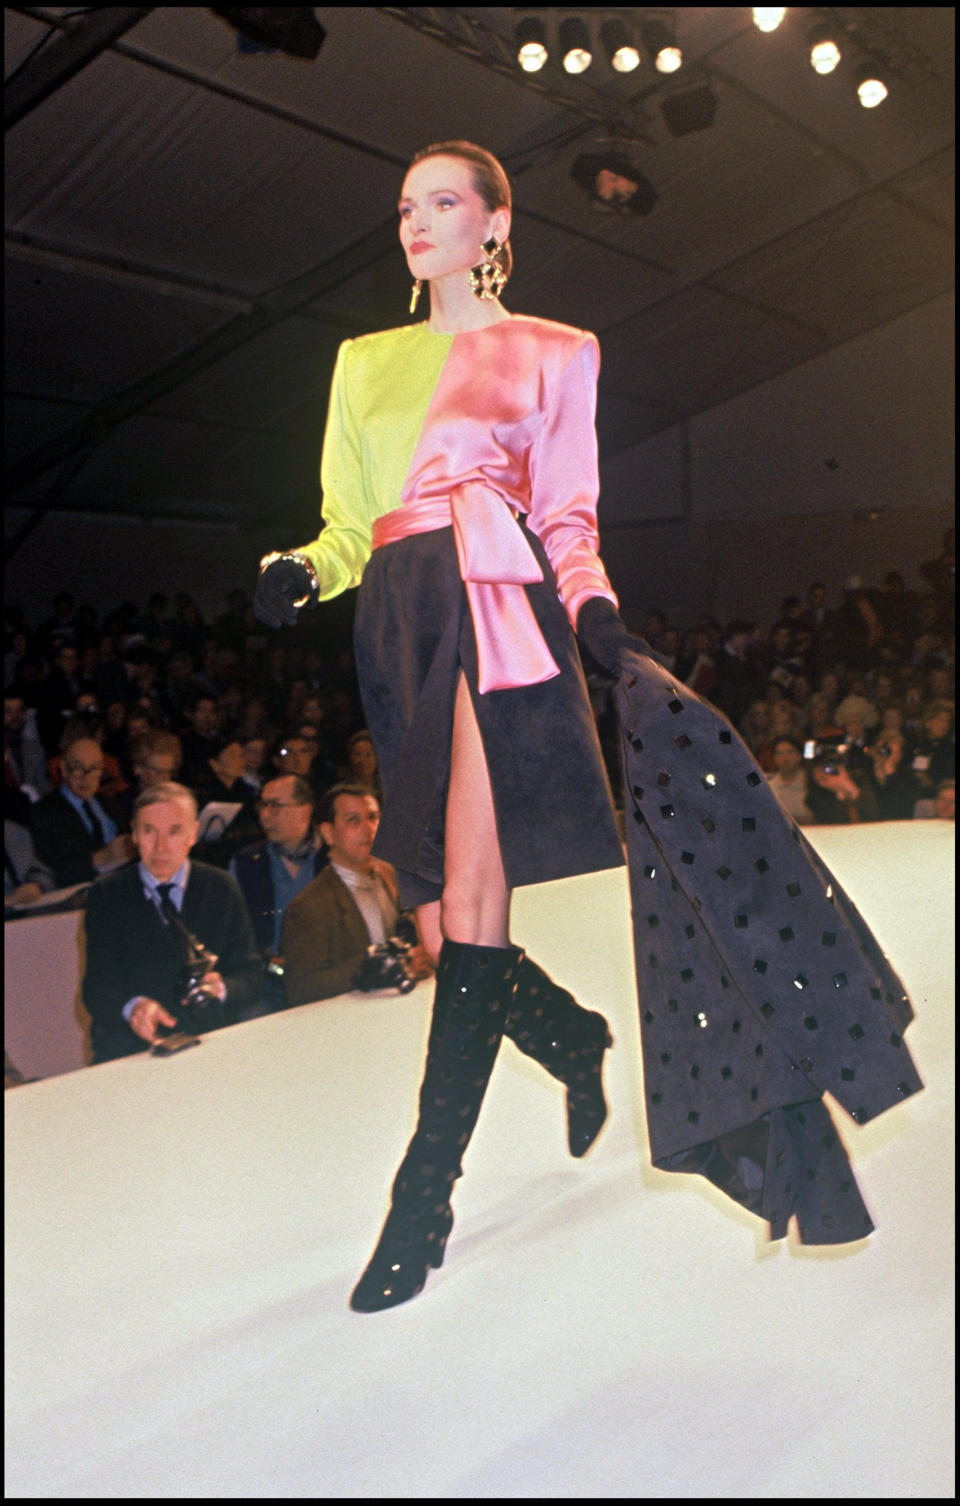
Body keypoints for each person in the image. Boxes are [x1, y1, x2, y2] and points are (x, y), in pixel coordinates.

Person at [253, 139, 922, 1311]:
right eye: (406, 206)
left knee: (466, 910)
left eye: (443, 202)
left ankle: (422, 1204)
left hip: (495, 621)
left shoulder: (558, 353)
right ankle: (575, 1040)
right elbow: (350, 524)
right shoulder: (361, 363)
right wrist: (305, 572)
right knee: (437, 928)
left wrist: (600, 620)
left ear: (495, 225)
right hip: (398, 629)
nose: (416, 221)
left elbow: (566, 517)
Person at [82, 782, 265, 1063]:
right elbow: (97, 989)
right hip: (133, 1049)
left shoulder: (221, 887)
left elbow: (252, 974)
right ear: (133, 833)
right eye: (148, 831)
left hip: (211, 1043)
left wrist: (223, 988)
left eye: (174, 831)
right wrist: (133, 1008)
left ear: (193, 833)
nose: (161, 847)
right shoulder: (105, 895)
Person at [281, 782, 432, 1007]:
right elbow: (302, 988)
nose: (369, 828)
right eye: (353, 820)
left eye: (373, 817)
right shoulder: (309, 906)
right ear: (328, 833)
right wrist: (376, 966)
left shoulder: (391, 875)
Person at [229, 773, 327, 986]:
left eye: (275, 806)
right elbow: (233, 935)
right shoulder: (246, 863)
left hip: (325, 975)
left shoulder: (332, 858)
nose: (264, 815)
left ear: (305, 811)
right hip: (265, 983)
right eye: (262, 805)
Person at [31, 736, 135, 886]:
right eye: (78, 768)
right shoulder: (44, 812)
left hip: (127, 879)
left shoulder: (110, 803)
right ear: (64, 769)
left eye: (94, 768)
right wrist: (99, 857)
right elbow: (51, 870)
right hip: (85, 889)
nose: (86, 778)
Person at [4, 817, 56, 910]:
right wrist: (11, 900)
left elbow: (38, 870)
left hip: (28, 908)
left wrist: (37, 886)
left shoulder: (13, 831)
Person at [765, 737, 814, 825]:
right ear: (774, 758)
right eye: (780, 753)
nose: (785, 758)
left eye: (790, 752)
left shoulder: (811, 783)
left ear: (799, 756)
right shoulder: (769, 785)